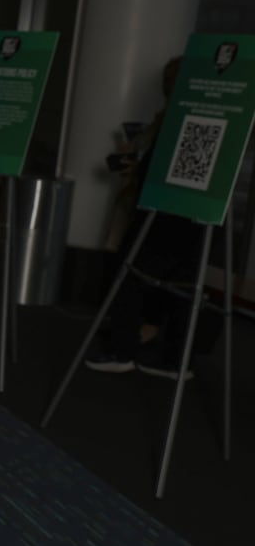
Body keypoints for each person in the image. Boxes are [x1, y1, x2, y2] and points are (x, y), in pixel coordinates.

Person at [84, 56, 204, 379]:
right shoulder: (204, 120)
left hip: (160, 216)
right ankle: (176, 358)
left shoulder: (174, 120)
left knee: (131, 275)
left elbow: (156, 170)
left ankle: (122, 349)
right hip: (193, 218)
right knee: (182, 285)